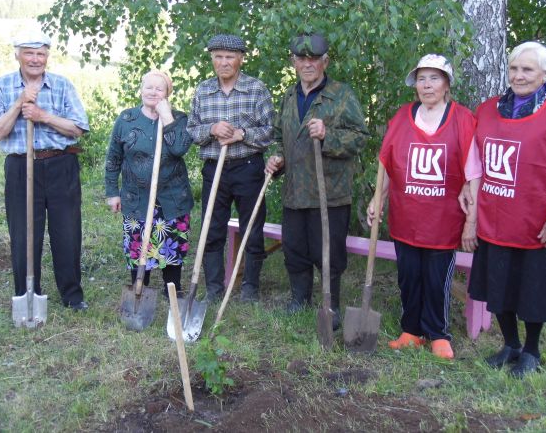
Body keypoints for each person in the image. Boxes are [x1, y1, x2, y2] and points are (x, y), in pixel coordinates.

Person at [464, 41, 546, 377]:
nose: (518, 75)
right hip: (496, 215)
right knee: (498, 286)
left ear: (545, 74)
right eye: (514, 68)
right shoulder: (488, 110)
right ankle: (510, 344)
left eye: (527, 69)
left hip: (538, 218)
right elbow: (476, 162)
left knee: (532, 289)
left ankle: (531, 350)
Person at [366, 54, 481, 359]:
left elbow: (473, 172)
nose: (427, 85)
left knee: (436, 277)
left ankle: (437, 333)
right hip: (407, 214)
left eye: (434, 78)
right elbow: (388, 164)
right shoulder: (402, 117)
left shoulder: (462, 119)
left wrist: (472, 218)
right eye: (421, 78)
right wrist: (379, 197)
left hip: (443, 218)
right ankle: (411, 330)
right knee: (409, 275)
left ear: (446, 84)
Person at [266, 33, 369, 330]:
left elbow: (360, 138)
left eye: (314, 59)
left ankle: (330, 305)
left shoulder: (341, 95)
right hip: (295, 190)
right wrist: (277, 158)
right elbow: (279, 137)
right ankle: (300, 299)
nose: (307, 64)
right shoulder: (288, 95)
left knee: (328, 252)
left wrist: (328, 136)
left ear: (325, 61)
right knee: (295, 248)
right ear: (293, 61)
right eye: (301, 58)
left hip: (330, 192)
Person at [0, 30, 90, 311]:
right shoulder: (1, 86)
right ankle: (27, 293)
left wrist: (43, 116)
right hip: (21, 166)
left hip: (61, 164)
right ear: (17, 54)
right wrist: (19, 104)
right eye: (29, 53)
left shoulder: (62, 85)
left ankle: (72, 295)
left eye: (40, 53)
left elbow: (78, 129)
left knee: (67, 232)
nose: (35, 59)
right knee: (23, 233)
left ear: (47, 56)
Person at [187, 34, 274, 303]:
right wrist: (212, 129)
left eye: (230, 57)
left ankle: (250, 287)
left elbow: (270, 131)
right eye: (218, 57)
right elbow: (192, 131)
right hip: (214, 168)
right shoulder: (203, 91)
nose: (224, 62)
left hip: (248, 168)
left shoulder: (256, 89)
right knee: (212, 228)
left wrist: (241, 134)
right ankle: (214, 288)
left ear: (240, 59)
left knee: (252, 227)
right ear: (212, 59)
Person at [105, 70, 194, 295]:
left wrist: (167, 118)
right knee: (137, 242)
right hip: (136, 197)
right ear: (141, 89)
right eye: (149, 87)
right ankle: (139, 288)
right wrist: (112, 192)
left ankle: (171, 288)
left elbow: (179, 148)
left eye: (159, 88)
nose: (153, 92)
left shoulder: (179, 119)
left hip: (172, 197)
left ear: (167, 94)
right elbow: (114, 158)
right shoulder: (126, 120)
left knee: (172, 240)